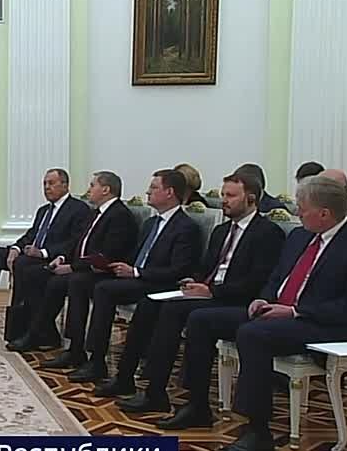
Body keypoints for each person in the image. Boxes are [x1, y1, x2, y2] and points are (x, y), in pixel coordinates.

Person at [180, 176, 347, 451]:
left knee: (254, 335)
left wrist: (295, 311)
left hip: (327, 325)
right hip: (281, 313)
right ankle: (197, 405)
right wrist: (263, 298)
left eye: (303, 208)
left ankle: (258, 431)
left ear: (324, 214)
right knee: (201, 319)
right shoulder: (300, 236)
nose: (297, 212)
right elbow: (277, 276)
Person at [96, 172, 286, 417]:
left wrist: (211, 291)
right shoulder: (221, 231)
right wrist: (193, 281)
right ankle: (129, 378)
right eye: (223, 195)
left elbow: (256, 281)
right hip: (209, 293)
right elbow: (205, 267)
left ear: (250, 199)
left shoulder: (267, 233)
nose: (224, 200)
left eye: (230, 195)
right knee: (151, 304)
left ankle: (171, 396)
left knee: (175, 312)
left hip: (235, 299)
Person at [67, 168, 202, 384]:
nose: (147, 192)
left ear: (169, 192)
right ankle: (85, 353)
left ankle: (99, 361)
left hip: (159, 283)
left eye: (154, 187)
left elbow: (179, 270)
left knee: (104, 290)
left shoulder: (186, 227)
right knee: (88, 282)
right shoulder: (150, 224)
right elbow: (136, 254)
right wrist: (116, 265)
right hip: (138, 278)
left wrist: (136, 272)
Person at [0, 168, 90, 331]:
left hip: (53, 258)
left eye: (51, 183)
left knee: (21, 263)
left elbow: (74, 242)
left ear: (65, 185)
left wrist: (43, 253)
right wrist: (16, 248)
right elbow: (31, 235)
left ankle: (18, 320)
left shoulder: (78, 209)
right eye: (44, 184)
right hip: (31, 254)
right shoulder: (44, 210)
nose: (46, 187)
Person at [33, 171, 139, 370]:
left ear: (105, 189)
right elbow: (78, 242)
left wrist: (72, 267)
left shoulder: (119, 216)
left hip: (106, 272)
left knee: (77, 281)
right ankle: (42, 332)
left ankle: (81, 350)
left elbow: (108, 254)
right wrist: (63, 258)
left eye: (92, 185)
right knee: (54, 280)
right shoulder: (96, 213)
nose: (88, 190)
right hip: (86, 269)